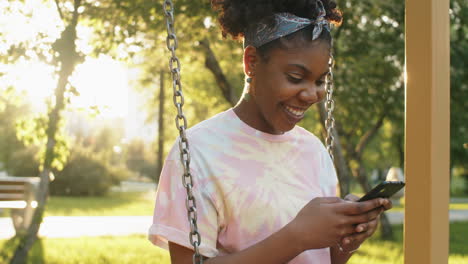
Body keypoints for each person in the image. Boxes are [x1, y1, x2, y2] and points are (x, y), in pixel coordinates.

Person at [149, 0, 392, 263]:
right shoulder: (198, 152)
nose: (312, 94)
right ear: (251, 61)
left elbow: (323, 258)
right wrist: (297, 236)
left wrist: (348, 239)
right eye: (296, 78)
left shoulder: (313, 151)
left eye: (321, 80)